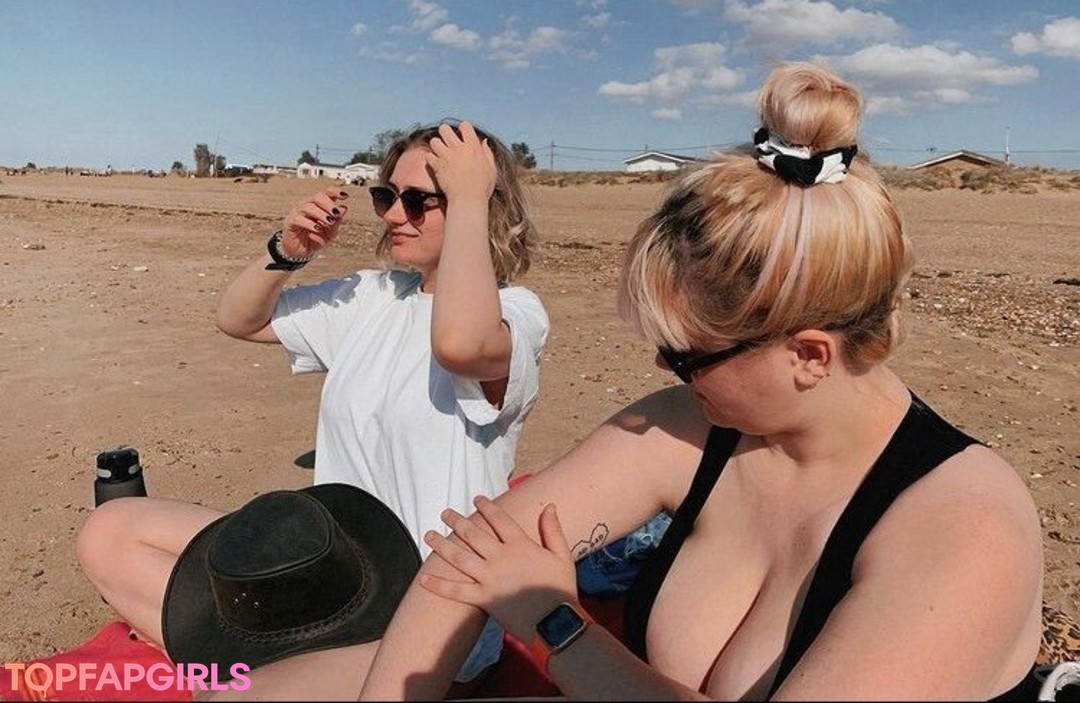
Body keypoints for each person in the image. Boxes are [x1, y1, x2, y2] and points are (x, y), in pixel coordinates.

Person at [359, 63, 1045, 700]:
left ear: (809, 356)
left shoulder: (965, 529)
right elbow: (466, 560)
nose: (665, 371)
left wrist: (554, 624)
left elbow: (524, 596)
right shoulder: (699, 425)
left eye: (687, 356)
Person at [75, 120, 549, 696]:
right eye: (386, 196)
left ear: (480, 204)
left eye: (421, 200)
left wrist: (472, 195)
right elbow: (239, 320)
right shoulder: (375, 297)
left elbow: (460, 345)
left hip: (430, 617)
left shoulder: (514, 314)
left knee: (233, 695)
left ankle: (252, 671)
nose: (393, 216)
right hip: (328, 571)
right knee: (110, 530)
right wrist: (286, 251)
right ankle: (263, 665)